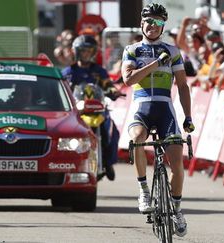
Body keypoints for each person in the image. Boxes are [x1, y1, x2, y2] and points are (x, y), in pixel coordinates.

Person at [121, 3, 195, 237]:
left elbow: (182, 86)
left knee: (178, 164)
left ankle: (176, 209)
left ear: (163, 26)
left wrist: (188, 117)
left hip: (165, 110)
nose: (153, 26)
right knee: (138, 139)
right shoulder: (131, 50)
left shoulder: (172, 51)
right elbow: (129, 80)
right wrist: (155, 64)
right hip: (141, 107)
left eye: (158, 22)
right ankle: (143, 189)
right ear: (141, 24)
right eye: (149, 21)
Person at [62, 34, 121, 181]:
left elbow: (108, 85)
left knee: (112, 131)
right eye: (83, 51)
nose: (86, 54)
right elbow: (63, 89)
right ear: (76, 52)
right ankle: (69, 163)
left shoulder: (99, 71)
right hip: (78, 112)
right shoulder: (69, 72)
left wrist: (113, 91)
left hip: (99, 109)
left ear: (94, 52)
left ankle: (108, 162)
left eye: (89, 51)